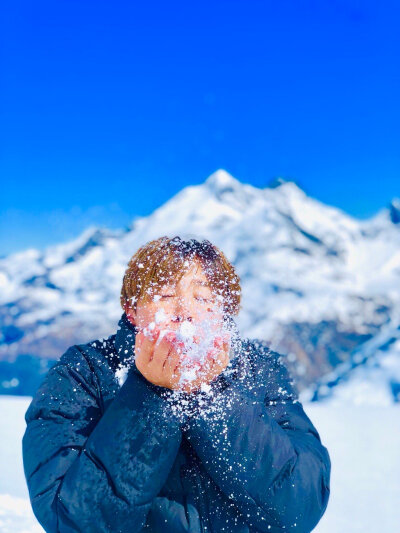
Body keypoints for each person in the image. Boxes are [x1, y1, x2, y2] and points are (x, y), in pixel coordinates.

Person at [22, 235, 331, 533]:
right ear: (132, 310)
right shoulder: (84, 371)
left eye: (203, 298)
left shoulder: (259, 368)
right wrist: (150, 394)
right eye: (166, 296)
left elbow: (299, 509)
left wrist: (216, 395)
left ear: (225, 311)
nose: (186, 313)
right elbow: (70, 520)